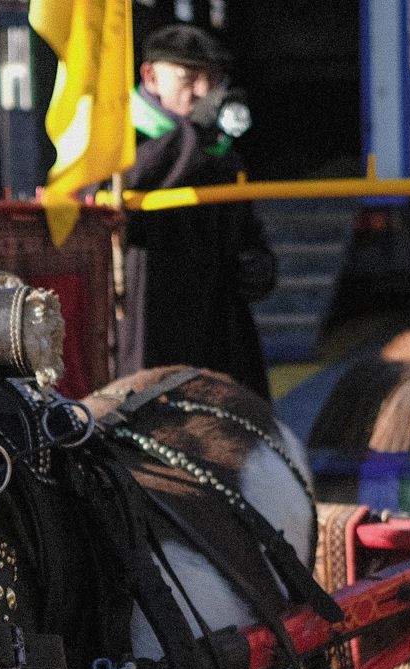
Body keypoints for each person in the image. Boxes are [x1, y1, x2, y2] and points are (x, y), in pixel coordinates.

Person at [123, 24, 278, 397]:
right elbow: (140, 175)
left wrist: (258, 264)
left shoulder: (220, 153)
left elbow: (247, 231)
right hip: (151, 322)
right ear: (151, 76)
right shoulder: (122, 140)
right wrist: (199, 133)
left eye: (213, 79)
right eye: (189, 78)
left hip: (218, 328)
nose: (204, 91)